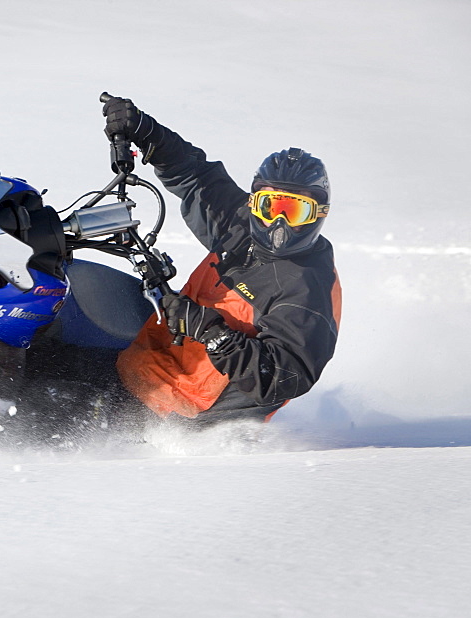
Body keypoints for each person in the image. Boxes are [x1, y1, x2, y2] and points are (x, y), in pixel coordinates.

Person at [102, 96, 342, 423]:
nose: (279, 224)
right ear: (254, 202)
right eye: (271, 207)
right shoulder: (241, 224)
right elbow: (194, 175)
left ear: (319, 215)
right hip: (141, 368)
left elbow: (286, 376)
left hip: (179, 416)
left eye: (296, 211)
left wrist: (214, 333)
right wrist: (147, 131)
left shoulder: (305, 287)